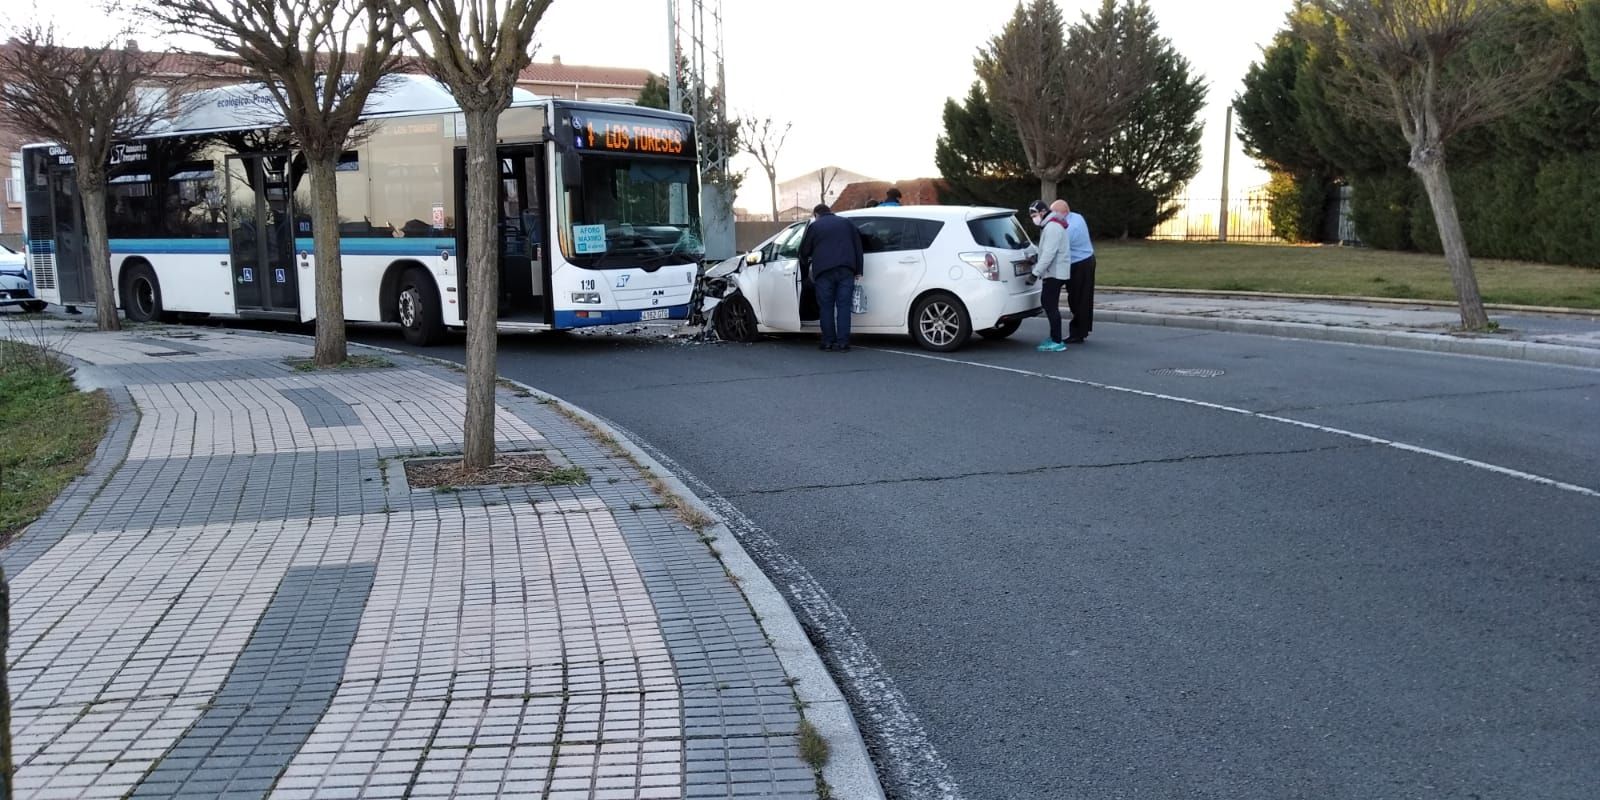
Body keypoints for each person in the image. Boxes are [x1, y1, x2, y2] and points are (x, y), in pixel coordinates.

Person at [797, 203, 864, 352]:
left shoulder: (815, 227)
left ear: (816, 214)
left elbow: (805, 251)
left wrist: (805, 264)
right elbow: (858, 247)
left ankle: (827, 342)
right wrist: (859, 270)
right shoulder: (847, 223)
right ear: (830, 212)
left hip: (823, 272)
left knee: (826, 307)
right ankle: (843, 343)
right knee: (844, 306)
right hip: (846, 270)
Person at [1028, 199, 1071, 352]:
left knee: (1049, 304)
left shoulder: (1052, 227)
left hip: (1055, 273)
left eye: (1034, 214)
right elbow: (1046, 251)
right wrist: (1036, 259)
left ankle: (1057, 340)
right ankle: (1054, 337)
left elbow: (1049, 253)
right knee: (1049, 304)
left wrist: (1035, 273)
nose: (1034, 218)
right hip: (1055, 271)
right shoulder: (1050, 225)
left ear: (1043, 212)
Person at [1060, 199, 1096, 343]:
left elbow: (1060, 247)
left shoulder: (1070, 228)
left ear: (1063, 213)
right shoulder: (1077, 216)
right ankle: (1082, 329)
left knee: (1077, 299)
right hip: (1085, 260)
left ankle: (1078, 333)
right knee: (1082, 298)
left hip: (1079, 264)